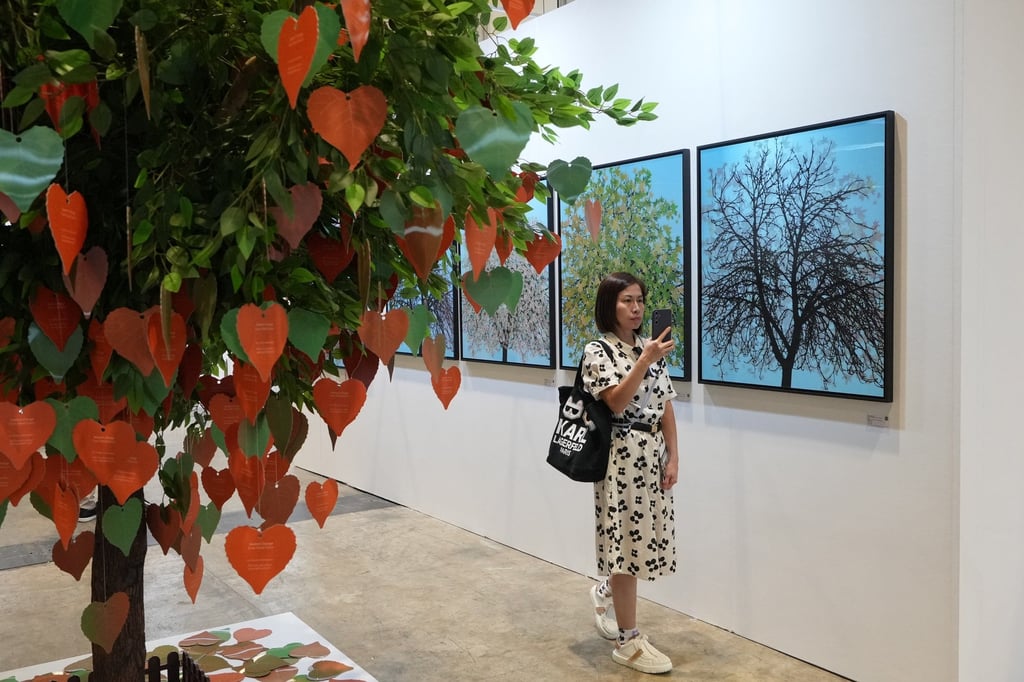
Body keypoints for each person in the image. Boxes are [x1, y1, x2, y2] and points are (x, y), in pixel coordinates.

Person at [581, 272, 678, 674]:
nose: (636, 309)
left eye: (639, 300)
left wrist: (674, 455)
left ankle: (606, 592)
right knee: (624, 545)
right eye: (627, 300)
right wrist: (643, 361)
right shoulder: (597, 351)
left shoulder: (648, 347)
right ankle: (627, 639)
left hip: (650, 455)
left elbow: (666, 403)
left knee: (643, 545)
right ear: (610, 305)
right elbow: (617, 403)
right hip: (620, 458)